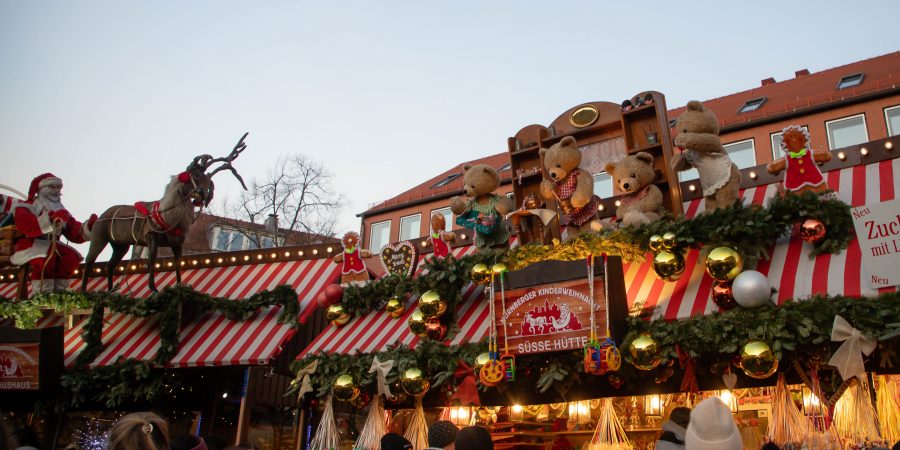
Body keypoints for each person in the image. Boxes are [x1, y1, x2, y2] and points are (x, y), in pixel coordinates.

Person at [10, 173, 97, 294]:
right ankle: (42, 294)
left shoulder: (60, 208)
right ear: (41, 189)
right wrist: (50, 221)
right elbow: (27, 226)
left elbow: (74, 232)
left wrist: (90, 227)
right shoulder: (26, 206)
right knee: (46, 257)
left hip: (52, 243)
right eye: (52, 187)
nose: (57, 191)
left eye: (58, 187)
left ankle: (58, 293)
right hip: (30, 242)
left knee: (70, 257)